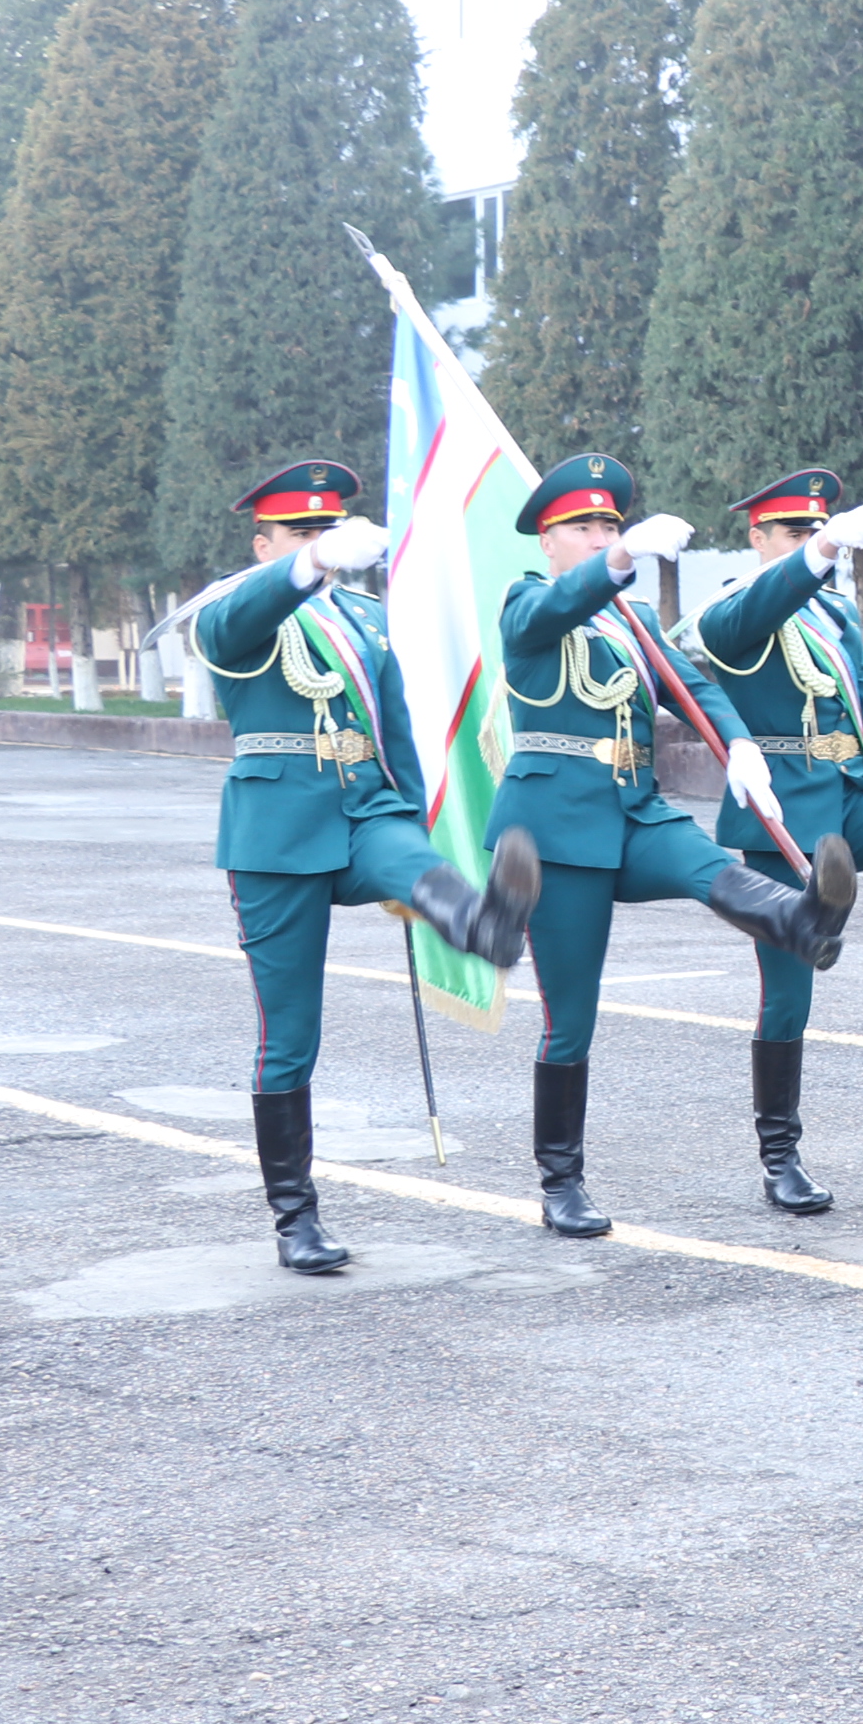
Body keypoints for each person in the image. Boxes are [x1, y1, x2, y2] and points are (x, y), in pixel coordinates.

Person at [184, 461, 540, 1274]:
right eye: (301, 532)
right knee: (289, 1037)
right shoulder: (231, 609)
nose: (319, 541)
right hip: (277, 835)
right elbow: (238, 625)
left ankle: (486, 924)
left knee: (413, 862)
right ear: (264, 543)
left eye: (327, 529)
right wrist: (310, 567)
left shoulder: (366, 618)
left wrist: (410, 817)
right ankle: (296, 1218)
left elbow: (395, 725)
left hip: (366, 806)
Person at [495, 454, 859, 1241]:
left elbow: (695, 685)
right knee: (571, 1017)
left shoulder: (633, 622)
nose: (600, 537)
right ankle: (562, 1181)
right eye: (583, 528)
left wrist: (740, 746)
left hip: (634, 809)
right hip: (554, 828)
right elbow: (556, 607)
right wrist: (622, 561)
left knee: (709, 867)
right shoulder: (526, 603)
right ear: (548, 542)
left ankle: (803, 920)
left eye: (610, 525)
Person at [691, 465, 863, 1215]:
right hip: (784, 811)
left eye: (819, 529)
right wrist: (820, 554)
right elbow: (755, 614)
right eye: (796, 532)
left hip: (852, 791)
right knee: (789, 998)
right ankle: (780, 1156)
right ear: (758, 538)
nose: (813, 540)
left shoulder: (836, 613)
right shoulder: (732, 612)